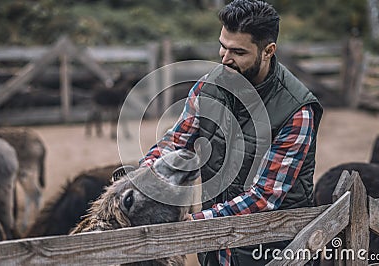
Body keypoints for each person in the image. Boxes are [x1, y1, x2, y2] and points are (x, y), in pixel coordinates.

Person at [138, 0, 323, 265]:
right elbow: (175, 142)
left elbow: (263, 197)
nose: (224, 58)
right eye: (222, 46)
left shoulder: (296, 111)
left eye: (237, 51)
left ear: (268, 50)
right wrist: (140, 178)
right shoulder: (207, 87)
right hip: (215, 249)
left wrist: (196, 222)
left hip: (272, 252)